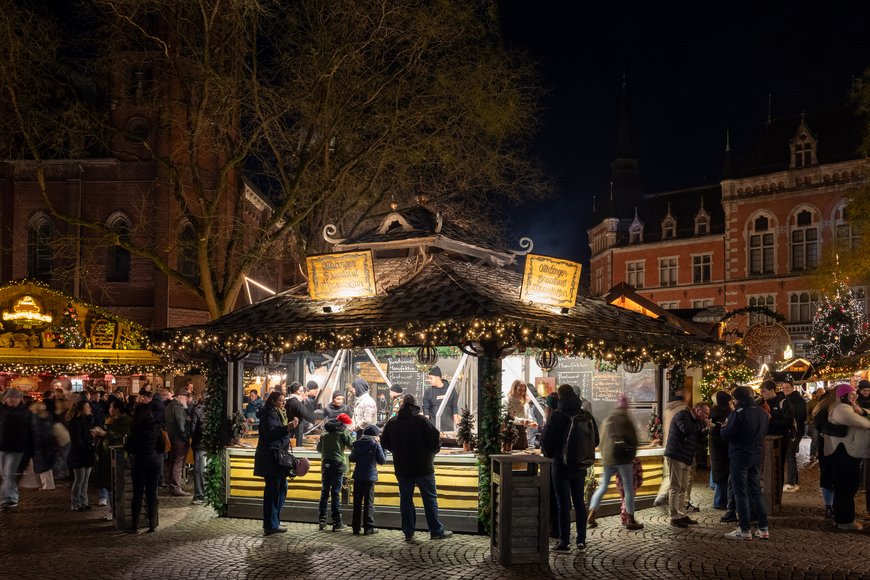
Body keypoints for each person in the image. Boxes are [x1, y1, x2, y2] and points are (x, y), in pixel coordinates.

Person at [381, 394, 453, 541]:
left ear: (402, 404)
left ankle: (408, 533)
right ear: (415, 405)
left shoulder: (392, 422)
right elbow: (435, 438)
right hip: (423, 467)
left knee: (406, 500)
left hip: (402, 468)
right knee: (429, 499)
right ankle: (435, 530)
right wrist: (432, 453)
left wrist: (396, 451)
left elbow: (384, 442)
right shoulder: (421, 420)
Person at [541, 384, 599, 551]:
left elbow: (546, 442)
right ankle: (581, 540)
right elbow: (595, 440)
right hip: (579, 465)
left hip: (561, 465)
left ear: (560, 397)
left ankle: (564, 541)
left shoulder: (557, 416)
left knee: (563, 505)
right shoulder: (585, 415)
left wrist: (552, 454)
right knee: (579, 502)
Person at [721, 385, 770, 540]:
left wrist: (723, 428)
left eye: (734, 399)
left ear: (738, 399)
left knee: (740, 492)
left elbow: (728, 435)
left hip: (740, 456)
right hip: (756, 455)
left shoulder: (738, 413)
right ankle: (763, 528)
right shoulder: (762, 412)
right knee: (756, 491)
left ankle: (744, 529)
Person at [587, 393, 643, 530]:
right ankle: (630, 519)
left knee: (603, 486)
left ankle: (592, 513)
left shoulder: (608, 419)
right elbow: (634, 440)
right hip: (624, 459)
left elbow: (601, 440)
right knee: (628, 489)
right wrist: (632, 455)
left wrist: (605, 456)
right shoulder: (626, 420)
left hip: (609, 459)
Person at [824, 384, 870, 531]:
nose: (854, 397)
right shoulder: (842, 408)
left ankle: (842, 518)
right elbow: (863, 422)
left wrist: (861, 410)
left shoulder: (846, 407)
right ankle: (845, 521)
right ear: (843, 396)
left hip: (846, 452)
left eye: (854, 395)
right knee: (846, 486)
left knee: (847, 485)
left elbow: (863, 414)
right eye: (851, 395)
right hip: (844, 453)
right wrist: (861, 413)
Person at [253, 391, 298, 535]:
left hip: (278, 457)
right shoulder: (269, 414)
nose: (283, 403)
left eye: (284, 400)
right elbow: (271, 434)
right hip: (271, 458)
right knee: (273, 491)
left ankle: (274, 522)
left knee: (281, 488)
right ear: (272, 401)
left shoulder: (278, 413)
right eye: (280, 400)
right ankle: (270, 525)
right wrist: (288, 427)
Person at [664, 402, 710, 528]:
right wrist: (703, 424)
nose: (706, 416)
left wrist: (704, 430)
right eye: (705, 413)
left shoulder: (695, 421)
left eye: (707, 414)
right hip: (676, 455)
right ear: (697, 409)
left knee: (683, 488)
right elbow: (687, 430)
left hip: (686, 457)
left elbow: (697, 438)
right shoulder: (683, 415)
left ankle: (682, 514)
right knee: (675, 487)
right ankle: (674, 517)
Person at [125, 403, 164, 533]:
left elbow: (129, 447)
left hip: (139, 462)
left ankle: (135, 526)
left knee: (137, 493)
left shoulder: (135, 428)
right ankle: (152, 524)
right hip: (154, 462)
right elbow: (162, 446)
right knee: (152, 493)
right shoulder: (156, 427)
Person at [94, 398, 131, 519]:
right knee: (109, 484)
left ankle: (115, 511)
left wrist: (105, 434)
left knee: (115, 484)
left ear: (117, 409)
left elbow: (122, 436)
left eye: (111, 407)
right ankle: (112, 509)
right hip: (107, 455)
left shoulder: (125, 421)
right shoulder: (110, 419)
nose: (109, 409)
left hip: (118, 455)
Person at [317, 412, 354, 531]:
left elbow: (319, 449)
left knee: (324, 492)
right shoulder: (342, 432)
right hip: (338, 464)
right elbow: (351, 445)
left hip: (325, 464)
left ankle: (322, 520)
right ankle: (337, 522)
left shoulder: (324, 434)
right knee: (335, 492)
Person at [349, 424, 386, 535]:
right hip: (369, 477)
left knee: (357, 503)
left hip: (358, 476)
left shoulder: (357, 443)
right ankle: (368, 527)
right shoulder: (375, 444)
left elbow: (351, 458)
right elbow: (382, 461)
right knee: (368, 503)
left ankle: (355, 527)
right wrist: (383, 448)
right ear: (375, 435)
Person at [759, 380, 794, 496]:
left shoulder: (784, 403)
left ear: (772, 390)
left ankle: (776, 496)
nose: (762, 394)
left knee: (777, 467)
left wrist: (770, 419)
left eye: (764, 391)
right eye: (761, 392)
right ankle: (766, 496)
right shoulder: (761, 403)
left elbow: (788, 423)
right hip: (764, 440)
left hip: (780, 440)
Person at [67, 400, 103, 511]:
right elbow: (77, 439)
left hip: (88, 453)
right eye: (87, 407)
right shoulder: (75, 422)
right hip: (79, 454)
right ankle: (75, 503)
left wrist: (93, 436)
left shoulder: (89, 421)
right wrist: (89, 444)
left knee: (85, 480)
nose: (90, 409)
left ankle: (84, 502)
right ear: (81, 409)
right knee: (79, 480)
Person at [0, 388, 32, 509]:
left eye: (15, 397)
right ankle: (11, 497)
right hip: (2, 446)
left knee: (8, 473)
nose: (12, 399)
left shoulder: (25, 412)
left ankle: (8, 498)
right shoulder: (1, 410)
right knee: (5, 474)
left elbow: (30, 430)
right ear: (5, 399)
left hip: (17, 447)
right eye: (10, 397)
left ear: (20, 399)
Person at [709, 390, 733, 511]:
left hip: (719, 450)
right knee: (722, 476)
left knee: (721, 475)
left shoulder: (715, 412)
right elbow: (724, 432)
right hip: (721, 450)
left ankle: (720, 501)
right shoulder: (720, 415)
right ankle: (719, 502)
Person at [781, 379, 807, 492]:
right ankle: (794, 481)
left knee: (790, 455)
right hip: (792, 431)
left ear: (792, 387)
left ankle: (791, 483)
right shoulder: (787, 399)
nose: (785, 390)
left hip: (795, 431)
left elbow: (801, 416)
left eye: (787, 387)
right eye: (783, 388)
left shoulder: (797, 400)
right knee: (790, 455)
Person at [163, 388, 190, 497]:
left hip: (172, 437)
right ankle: (175, 487)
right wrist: (185, 437)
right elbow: (181, 424)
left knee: (173, 462)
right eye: (185, 397)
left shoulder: (168, 407)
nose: (186, 399)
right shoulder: (178, 408)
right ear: (179, 397)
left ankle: (172, 485)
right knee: (178, 463)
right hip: (179, 439)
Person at [28, 401, 57, 492]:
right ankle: (45, 484)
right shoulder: (48, 416)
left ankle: (47, 485)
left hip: (40, 445)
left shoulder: (36, 418)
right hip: (47, 444)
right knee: (44, 465)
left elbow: (36, 432)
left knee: (42, 465)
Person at [422, 366, 460, 432]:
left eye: (431, 378)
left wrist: (458, 426)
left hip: (448, 428)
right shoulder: (428, 391)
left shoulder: (450, 390)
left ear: (438, 378)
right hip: (433, 428)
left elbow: (454, 408)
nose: (429, 380)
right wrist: (426, 426)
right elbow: (426, 409)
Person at [189, 391, 207, 505]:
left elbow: (192, 428)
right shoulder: (214, 410)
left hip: (200, 444)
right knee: (204, 469)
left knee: (200, 470)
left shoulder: (198, 409)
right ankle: (204, 494)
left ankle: (199, 495)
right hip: (207, 445)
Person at [806, 388, 825, 461]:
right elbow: (807, 412)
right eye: (820, 392)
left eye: (823, 392)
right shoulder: (811, 402)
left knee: (822, 440)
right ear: (817, 393)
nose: (822, 393)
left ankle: (819, 454)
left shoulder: (825, 402)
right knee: (815, 439)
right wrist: (809, 421)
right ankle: (812, 454)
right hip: (814, 424)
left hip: (823, 424)